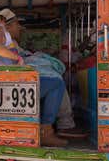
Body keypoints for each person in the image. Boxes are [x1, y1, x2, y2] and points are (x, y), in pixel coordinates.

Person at [4, 10, 70, 146]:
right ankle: (48, 129)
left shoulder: (10, 42)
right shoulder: (1, 39)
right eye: (17, 25)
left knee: (55, 79)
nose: (19, 29)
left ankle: (62, 123)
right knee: (56, 82)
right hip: (13, 83)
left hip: (17, 79)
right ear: (7, 26)